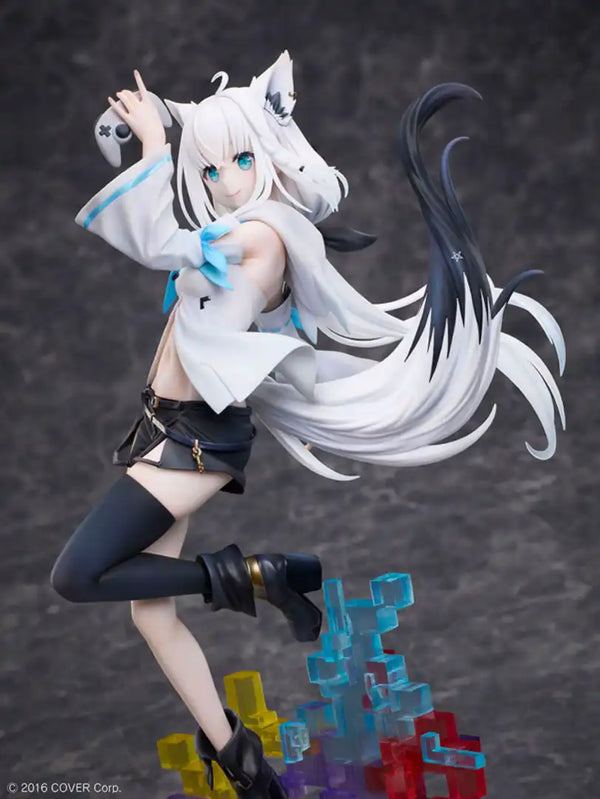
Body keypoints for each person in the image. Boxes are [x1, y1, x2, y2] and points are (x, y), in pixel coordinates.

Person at [50, 53, 565, 798]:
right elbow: (184, 247)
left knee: (76, 575)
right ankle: (245, 766)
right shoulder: (238, 228)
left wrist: (156, 147)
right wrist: (166, 123)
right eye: (212, 169)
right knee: (150, 614)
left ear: (272, 155)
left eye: (242, 160)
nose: (228, 182)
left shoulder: (261, 238)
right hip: (163, 428)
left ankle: (259, 574)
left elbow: (162, 245)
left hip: (191, 442)